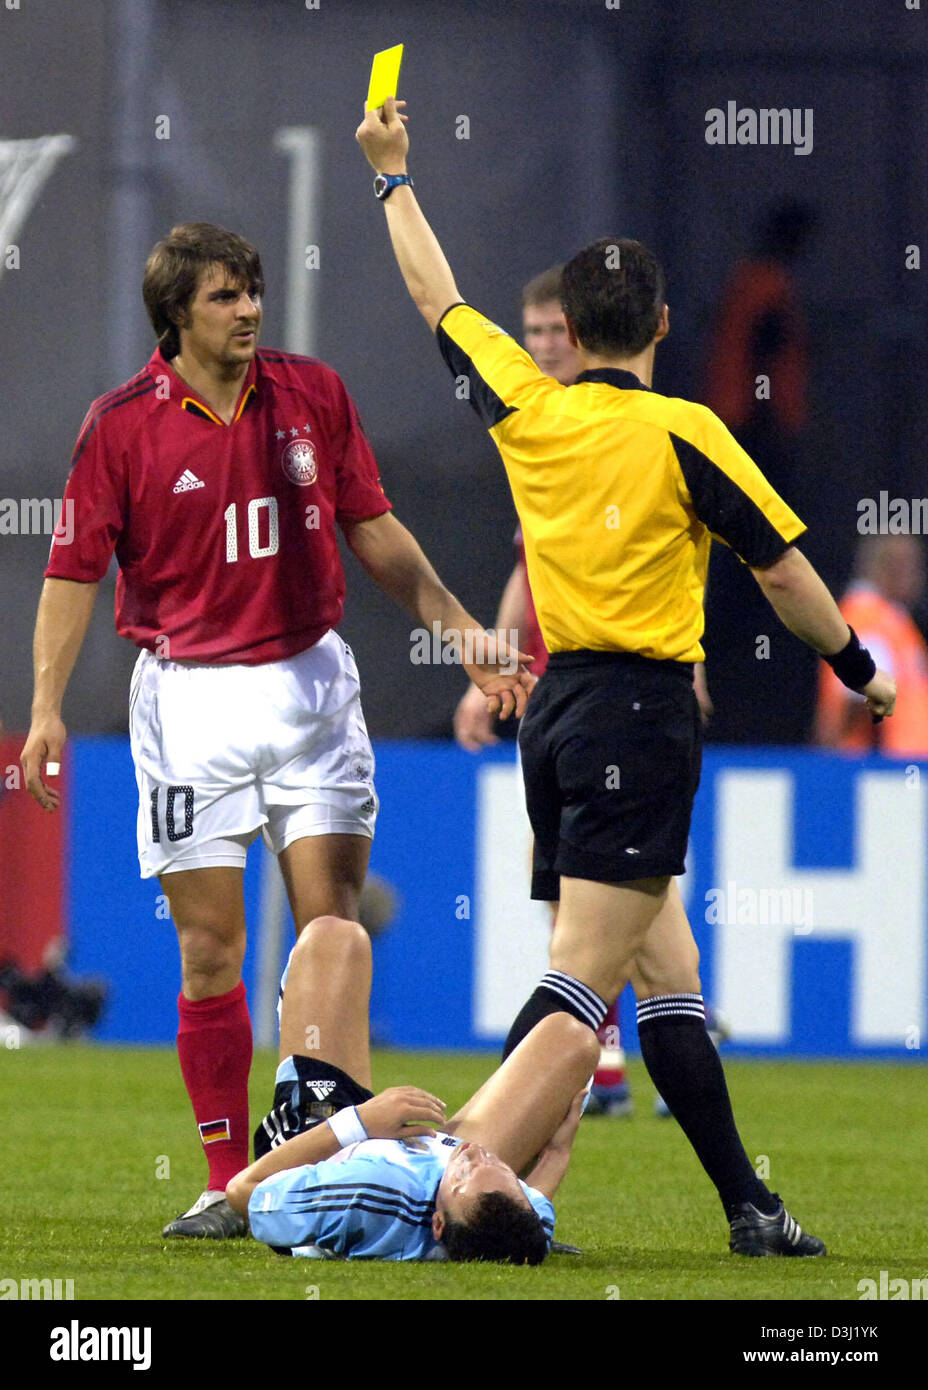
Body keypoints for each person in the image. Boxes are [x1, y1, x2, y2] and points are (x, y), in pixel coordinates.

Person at [354, 97, 897, 1255]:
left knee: (669, 974)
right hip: (638, 716)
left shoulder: (527, 409)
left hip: (556, 717)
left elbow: (432, 296)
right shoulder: (685, 432)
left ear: (570, 325)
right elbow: (788, 573)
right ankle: (437, 1185)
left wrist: (394, 178)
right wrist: (856, 665)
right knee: (577, 993)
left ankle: (748, 1207)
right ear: (656, 321)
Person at [20, 221, 531, 1239]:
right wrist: (44, 705)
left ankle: (328, 1142)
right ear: (174, 314)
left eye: (252, 290)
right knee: (208, 950)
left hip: (309, 688)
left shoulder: (313, 394)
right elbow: (73, 572)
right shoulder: (119, 425)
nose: (249, 308)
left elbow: (374, 529)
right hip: (188, 700)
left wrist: (459, 628)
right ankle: (228, 1179)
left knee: (331, 927)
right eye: (223, 296)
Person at [226, 914, 598, 1262]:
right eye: (503, 1170)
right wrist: (556, 1152)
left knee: (334, 938)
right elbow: (537, 1223)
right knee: (572, 1039)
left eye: (465, 1173)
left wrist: (361, 1121)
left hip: (326, 1143)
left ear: (436, 1224)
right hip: (420, 1154)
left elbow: (245, 1190)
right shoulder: (507, 1215)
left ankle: (297, 1015)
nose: (474, 1154)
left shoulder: (368, 1194)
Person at [816, 534, 928, 756]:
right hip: (886, 769)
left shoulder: (890, 618)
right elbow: (859, 693)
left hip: (899, 765)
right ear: (893, 567)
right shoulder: (867, 616)